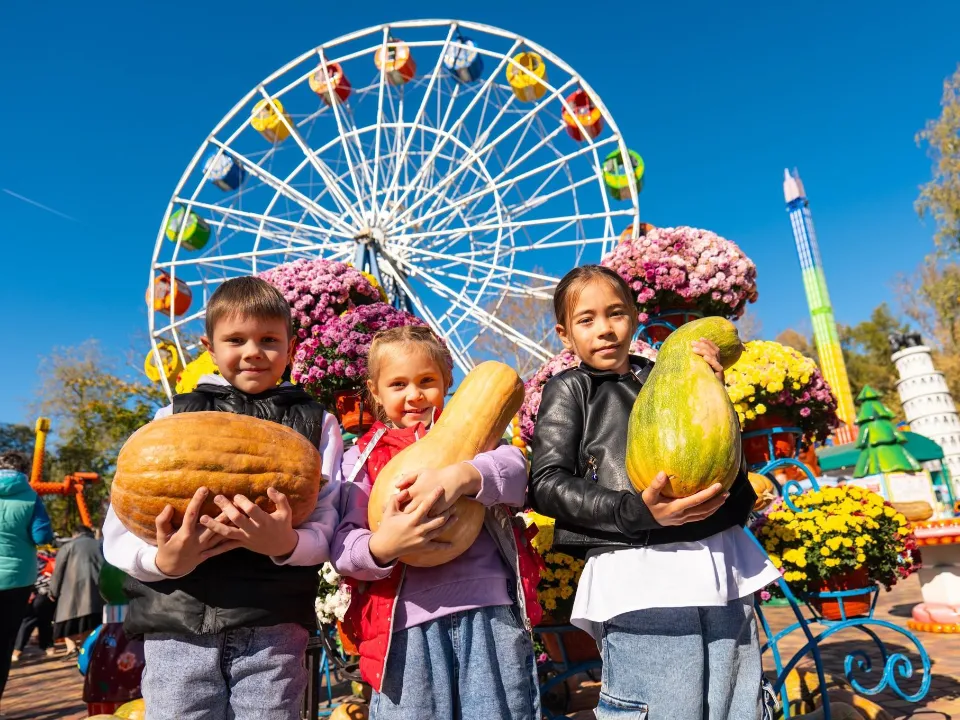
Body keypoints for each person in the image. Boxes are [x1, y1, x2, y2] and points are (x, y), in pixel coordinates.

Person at [529, 265, 780, 720]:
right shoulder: (570, 390)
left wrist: (715, 390)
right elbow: (546, 484)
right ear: (566, 336)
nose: (604, 329)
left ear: (635, 317)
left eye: (616, 314)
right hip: (639, 578)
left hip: (719, 564)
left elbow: (725, 463)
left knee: (737, 706)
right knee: (665, 706)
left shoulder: (671, 372)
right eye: (587, 320)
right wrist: (636, 512)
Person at [102, 276, 343, 720]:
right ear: (209, 348)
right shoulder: (173, 415)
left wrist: (286, 545)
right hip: (178, 621)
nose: (253, 351)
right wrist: (162, 562)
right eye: (236, 339)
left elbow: (328, 523)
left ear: (291, 346)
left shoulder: (316, 424)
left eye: (269, 339)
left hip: (273, 623)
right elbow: (119, 528)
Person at [332, 325, 540, 720]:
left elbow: (517, 476)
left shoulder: (481, 439)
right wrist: (384, 546)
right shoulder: (359, 459)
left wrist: (462, 476)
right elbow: (344, 547)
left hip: (489, 606)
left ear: (447, 381)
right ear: (375, 391)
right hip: (403, 627)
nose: (414, 395)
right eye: (398, 384)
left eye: (427, 381)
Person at [0, 451, 53, 704]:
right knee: (4, 642)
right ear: (24, 470)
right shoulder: (31, 497)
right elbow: (42, 536)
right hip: (16, 580)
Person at [50, 526, 104, 657]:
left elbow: (58, 572)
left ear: (75, 534)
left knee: (68, 621)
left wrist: (53, 591)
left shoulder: (68, 547)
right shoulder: (100, 545)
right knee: (90, 623)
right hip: (97, 592)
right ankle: (86, 647)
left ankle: (71, 648)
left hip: (70, 592)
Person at [12, 549, 57, 662]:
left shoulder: (31, 560)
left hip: (36, 594)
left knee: (27, 621)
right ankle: (49, 647)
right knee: (45, 621)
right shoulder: (46, 560)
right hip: (48, 594)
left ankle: (17, 650)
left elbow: (29, 577)